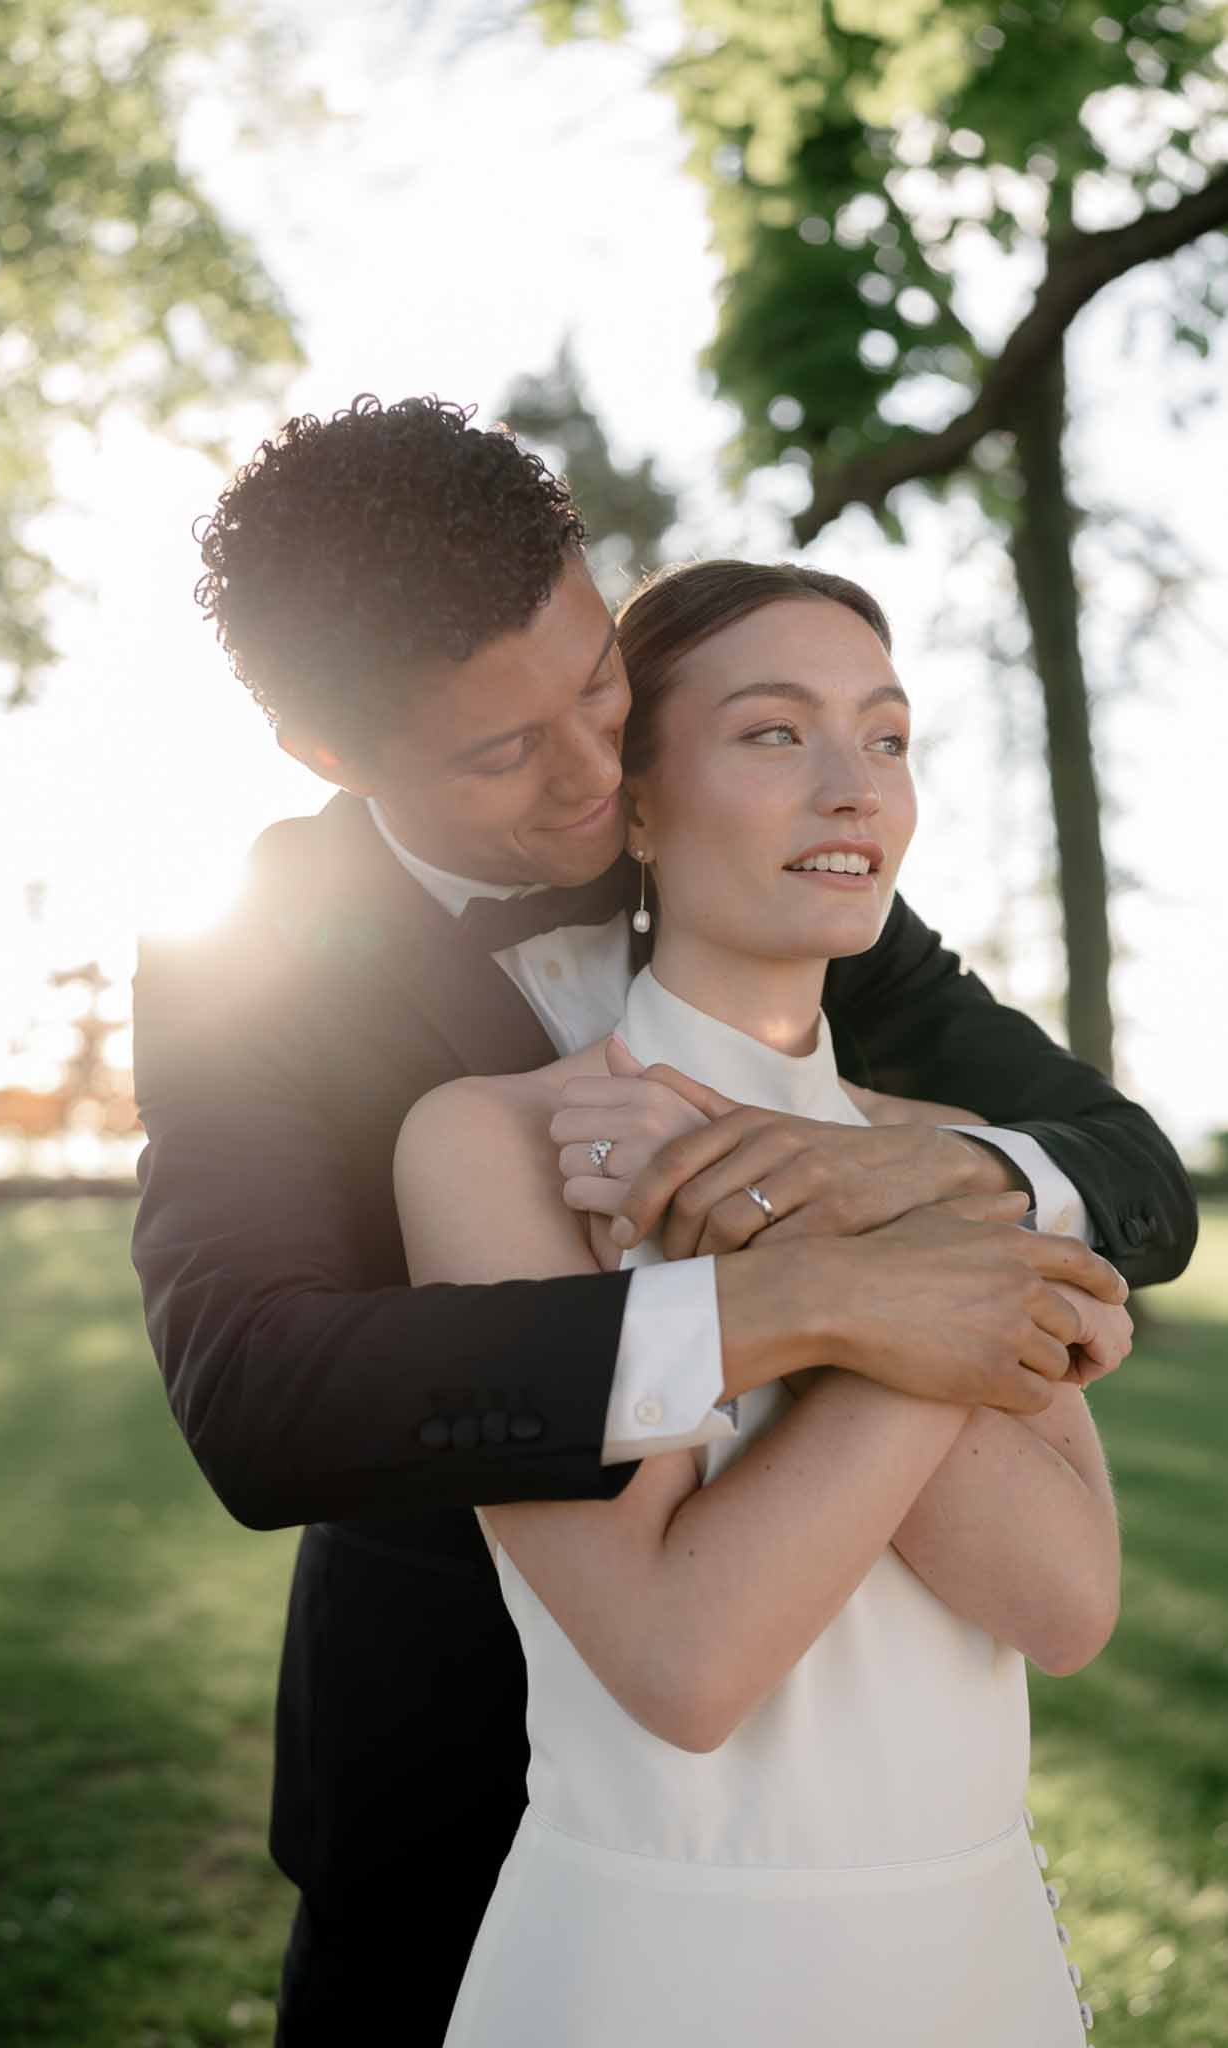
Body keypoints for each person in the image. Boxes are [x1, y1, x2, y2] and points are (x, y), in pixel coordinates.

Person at [129, 397, 1196, 2045]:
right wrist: (812, 1299)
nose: (589, 774)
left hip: (884, 1802)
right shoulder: (248, 966)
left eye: (597, 689)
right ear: (334, 756)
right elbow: (261, 1400)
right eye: (500, 752)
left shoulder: (780, 858)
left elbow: (1115, 1171)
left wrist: (931, 1188)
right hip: (447, 1760)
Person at [395, 558, 1126, 2044]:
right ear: (637, 803)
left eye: (888, 735)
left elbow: (1065, 1608)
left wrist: (806, 1220)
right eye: (775, 732)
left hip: (977, 1963)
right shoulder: (496, 1145)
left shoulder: (950, 1161)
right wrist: (925, 1290)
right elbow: (684, 1663)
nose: (855, 788)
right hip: (664, 1968)